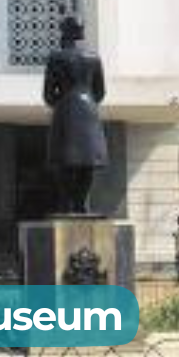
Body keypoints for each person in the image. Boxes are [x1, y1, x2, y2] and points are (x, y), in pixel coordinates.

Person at [43, 16, 108, 213]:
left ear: (64, 32)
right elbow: (100, 92)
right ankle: (81, 204)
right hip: (89, 111)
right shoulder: (93, 57)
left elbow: (48, 94)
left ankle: (68, 203)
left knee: (65, 161)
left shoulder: (56, 57)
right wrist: (87, 103)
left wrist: (62, 103)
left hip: (66, 110)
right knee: (87, 163)